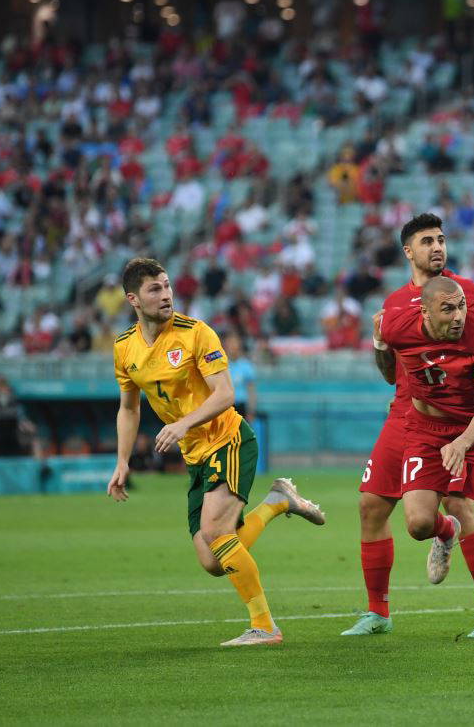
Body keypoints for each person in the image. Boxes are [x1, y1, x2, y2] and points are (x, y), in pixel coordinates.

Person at [106, 258, 325, 647]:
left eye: (167, 285)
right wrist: (122, 461)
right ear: (133, 300)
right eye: (155, 289)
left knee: (216, 532)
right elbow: (129, 407)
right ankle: (277, 502)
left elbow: (226, 393)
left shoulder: (195, 333)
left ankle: (265, 627)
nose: (166, 295)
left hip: (229, 440)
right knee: (212, 561)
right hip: (195, 455)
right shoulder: (125, 348)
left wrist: (182, 423)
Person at [343, 213, 474, 640]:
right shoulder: (395, 304)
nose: (437, 247)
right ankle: (378, 611)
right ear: (408, 251)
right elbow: (387, 369)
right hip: (405, 414)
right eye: (427, 241)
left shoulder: (462, 292)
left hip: (455, 414)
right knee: (373, 508)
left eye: (441, 239)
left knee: (459, 503)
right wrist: (380, 343)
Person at [379, 277, 474, 650]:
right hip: (427, 430)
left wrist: (462, 442)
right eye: (448, 308)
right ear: (424, 311)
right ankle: (447, 531)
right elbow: (386, 370)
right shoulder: (398, 327)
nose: (459, 315)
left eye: (461, 305)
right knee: (417, 523)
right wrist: (378, 343)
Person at [0, 375, 38, 457]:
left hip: (14, 431)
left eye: (5, 387)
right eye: (0, 388)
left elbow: (21, 416)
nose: (3, 390)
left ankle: (38, 464)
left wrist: (26, 424)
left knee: (31, 431)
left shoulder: (14, 401)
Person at [224, 333, 257, 423]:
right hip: (226, 406)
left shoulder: (246, 365)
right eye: (230, 344)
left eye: (235, 344)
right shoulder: (222, 365)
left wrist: (251, 410)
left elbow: (251, 390)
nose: (233, 347)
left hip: (242, 405)